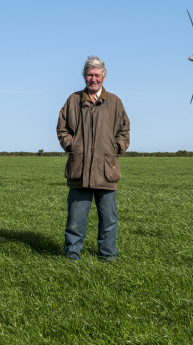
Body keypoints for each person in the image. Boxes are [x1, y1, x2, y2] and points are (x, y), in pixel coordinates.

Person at [56, 56, 130, 261]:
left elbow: (124, 130)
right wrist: (72, 145)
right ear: (84, 76)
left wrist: (116, 147)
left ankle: (108, 257)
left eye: (97, 75)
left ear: (104, 77)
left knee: (109, 219)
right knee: (75, 220)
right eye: (90, 75)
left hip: (107, 171)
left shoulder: (114, 102)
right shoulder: (73, 100)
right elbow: (62, 128)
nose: (93, 79)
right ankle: (72, 257)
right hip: (79, 170)